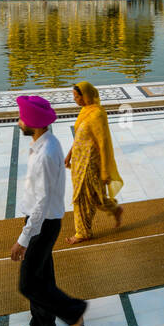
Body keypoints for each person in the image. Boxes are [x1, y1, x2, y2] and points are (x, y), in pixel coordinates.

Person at [10, 95, 85, 326]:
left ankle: (74, 311)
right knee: (42, 275)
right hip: (44, 221)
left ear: (32, 122)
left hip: (42, 224)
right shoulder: (48, 142)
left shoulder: (44, 154)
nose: (19, 121)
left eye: (22, 118)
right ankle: (42, 325)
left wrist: (23, 238)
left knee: (28, 283)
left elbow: (41, 203)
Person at [65, 81, 125, 243]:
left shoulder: (97, 115)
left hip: (90, 164)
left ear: (87, 95)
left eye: (77, 96)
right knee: (95, 195)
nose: (75, 99)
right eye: (75, 96)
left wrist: (105, 171)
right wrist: (69, 154)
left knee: (82, 197)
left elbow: (103, 144)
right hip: (79, 161)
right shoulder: (85, 111)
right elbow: (79, 136)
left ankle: (83, 232)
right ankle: (115, 209)